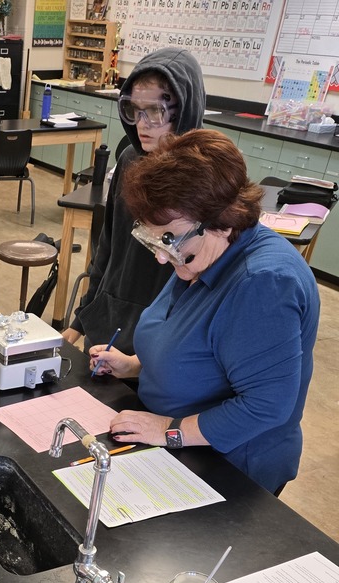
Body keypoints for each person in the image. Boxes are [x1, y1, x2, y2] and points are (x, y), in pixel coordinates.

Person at [89, 129, 320, 495]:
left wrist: (168, 430)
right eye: (154, 238)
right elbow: (193, 342)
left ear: (222, 220)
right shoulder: (201, 253)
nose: (161, 256)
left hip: (231, 464)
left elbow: (266, 407)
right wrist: (134, 364)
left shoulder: (263, 284)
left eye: (169, 240)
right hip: (180, 442)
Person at [63, 47, 205, 356]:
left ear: (183, 110)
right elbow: (109, 247)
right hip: (109, 321)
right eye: (134, 110)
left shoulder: (204, 175)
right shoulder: (129, 159)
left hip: (164, 335)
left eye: (154, 111)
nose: (142, 124)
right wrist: (81, 320)